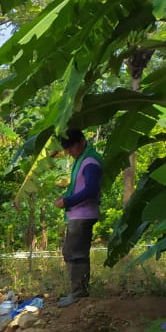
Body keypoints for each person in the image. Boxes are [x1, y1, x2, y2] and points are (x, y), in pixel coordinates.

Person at [55, 128, 103, 307]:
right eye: (67, 149)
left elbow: (91, 189)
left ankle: (79, 293)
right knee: (71, 252)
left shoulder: (90, 161)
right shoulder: (82, 159)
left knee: (75, 254)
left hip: (83, 214)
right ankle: (77, 291)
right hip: (78, 214)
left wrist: (68, 201)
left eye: (71, 148)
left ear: (82, 142)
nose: (69, 152)